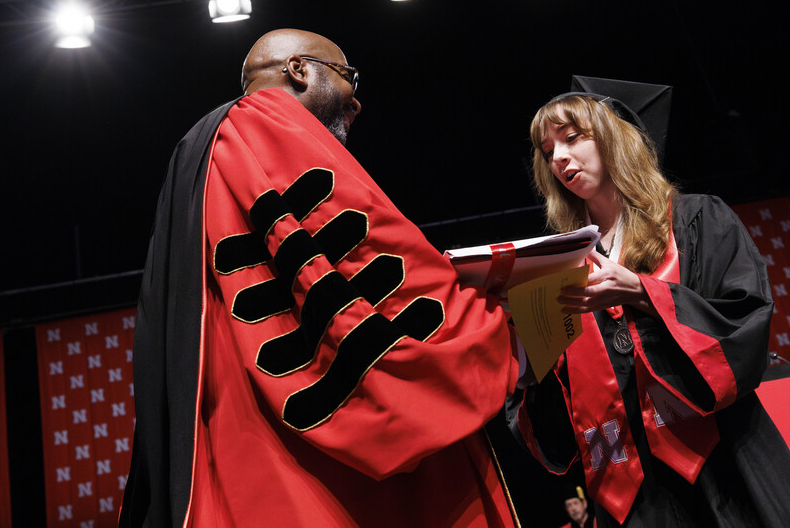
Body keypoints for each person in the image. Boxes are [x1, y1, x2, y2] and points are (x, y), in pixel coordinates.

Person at [119, 29, 521, 527]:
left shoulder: (197, 155)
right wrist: (486, 321)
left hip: (236, 429)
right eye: (349, 77)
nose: (357, 102)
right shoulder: (265, 122)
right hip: (321, 457)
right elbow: (372, 252)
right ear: (300, 70)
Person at [508, 82, 790, 527]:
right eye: (547, 150)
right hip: (632, 493)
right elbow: (556, 423)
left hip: (723, 467)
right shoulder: (560, 267)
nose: (558, 157)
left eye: (573, 137)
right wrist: (527, 349)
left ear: (615, 137)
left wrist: (642, 293)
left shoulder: (696, 220)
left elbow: (744, 319)